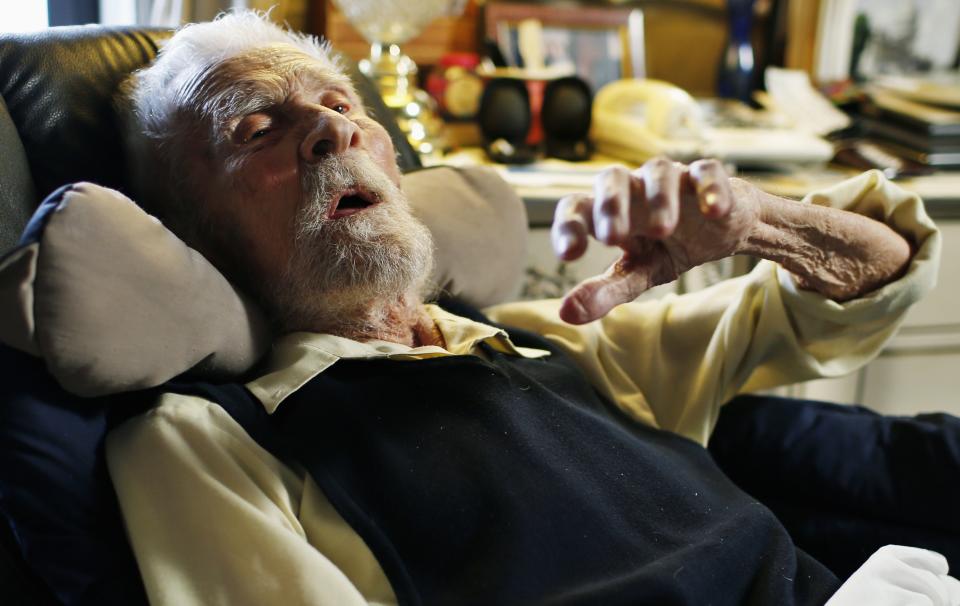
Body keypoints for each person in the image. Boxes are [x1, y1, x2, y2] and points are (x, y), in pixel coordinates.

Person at [108, 11, 956, 606]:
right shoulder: (204, 442)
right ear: (196, 230)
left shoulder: (546, 338)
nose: (330, 134)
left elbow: (868, 285)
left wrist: (760, 221)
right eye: (256, 129)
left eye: (339, 105)